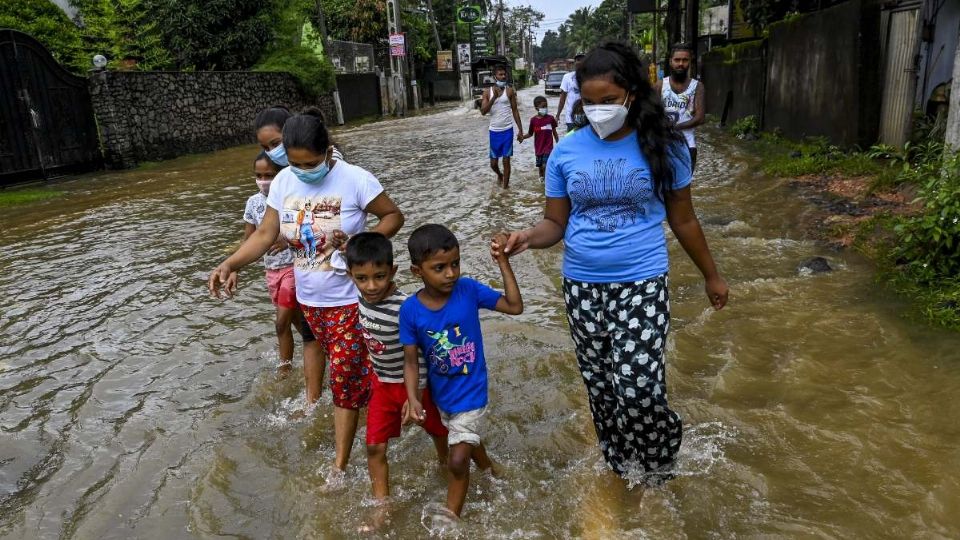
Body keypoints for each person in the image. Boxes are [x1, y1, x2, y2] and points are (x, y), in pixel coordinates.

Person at [499, 42, 728, 488]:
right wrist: (526, 236)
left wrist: (711, 275)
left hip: (642, 281)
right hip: (582, 287)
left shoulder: (666, 145)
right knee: (603, 392)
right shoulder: (566, 151)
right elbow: (555, 223)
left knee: (638, 390)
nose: (598, 110)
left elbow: (683, 218)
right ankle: (621, 471)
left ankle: (660, 467)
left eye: (608, 100)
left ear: (632, 95)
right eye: (589, 102)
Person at [209, 107, 405, 481]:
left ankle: (340, 466)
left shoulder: (355, 179)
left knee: (345, 385)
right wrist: (230, 264)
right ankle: (383, 419)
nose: (302, 171)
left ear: (328, 151)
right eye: (295, 165)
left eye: (310, 163)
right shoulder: (284, 183)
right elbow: (266, 235)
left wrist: (363, 243)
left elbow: (393, 216)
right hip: (311, 303)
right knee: (351, 378)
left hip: (351, 301)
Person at [400, 224, 523, 519]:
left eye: (455, 264)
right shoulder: (410, 310)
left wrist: (503, 263)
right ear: (417, 271)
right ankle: (490, 471)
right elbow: (411, 361)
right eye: (439, 267)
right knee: (461, 437)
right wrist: (414, 398)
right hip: (444, 397)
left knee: (456, 461)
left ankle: (450, 519)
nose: (451, 273)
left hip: (472, 393)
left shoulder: (467, 290)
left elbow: (515, 306)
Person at [344, 232, 449, 505]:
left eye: (379, 276)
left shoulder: (405, 308)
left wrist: (415, 394)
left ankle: (447, 467)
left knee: (439, 432)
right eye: (362, 278)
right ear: (350, 275)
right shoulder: (360, 296)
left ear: (393, 271)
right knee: (374, 447)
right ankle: (382, 505)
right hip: (382, 385)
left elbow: (417, 355)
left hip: (417, 386)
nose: (370, 286)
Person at [239, 151, 317, 372]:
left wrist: (288, 238)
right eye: (259, 175)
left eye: (269, 175)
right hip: (271, 271)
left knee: (280, 322)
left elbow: (309, 230)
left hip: (293, 268)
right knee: (296, 321)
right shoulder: (253, 203)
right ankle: (322, 347)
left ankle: (284, 371)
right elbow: (250, 238)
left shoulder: (291, 199)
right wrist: (234, 267)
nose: (264, 181)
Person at [656, 44, 706, 170]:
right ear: (670, 61)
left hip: (687, 145)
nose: (681, 64)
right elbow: (651, 113)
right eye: (677, 60)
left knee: (684, 186)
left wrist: (674, 127)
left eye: (685, 60)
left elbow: (700, 118)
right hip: (662, 145)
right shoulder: (660, 85)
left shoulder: (697, 87)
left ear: (690, 62)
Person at [479, 65, 523, 189]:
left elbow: (515, 111)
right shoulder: (487, 92)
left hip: (507, 130)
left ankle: (505, 189)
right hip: (494, 131)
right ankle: (500, 174)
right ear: (495, 77)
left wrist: (520, 130)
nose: (503, 76)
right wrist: (494, 98)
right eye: (500, 74)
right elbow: (483, 111)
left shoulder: (510, 91)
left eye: (504, 74)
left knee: (506, 160)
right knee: (493, 164)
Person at [519, 95, 559, 181]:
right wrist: (522, 137)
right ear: (536, 108)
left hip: (548, 147)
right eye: (543, 107)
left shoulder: (550, 119)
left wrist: (558, 143)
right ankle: (541, 181)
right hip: (538, 148)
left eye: (546, 106)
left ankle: (548, 183)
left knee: (545, 165)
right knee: (540, 168)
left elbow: (554, 132)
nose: (545, 108)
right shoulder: (533, 120)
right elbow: (530, 134)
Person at [557, 52, 585, 132]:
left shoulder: (590, 77)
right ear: (574, 62)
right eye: (578, 60)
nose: (580, 62)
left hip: (587, 118)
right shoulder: (567, 77)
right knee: (572, 141)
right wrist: (558, 115)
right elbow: (562, 99)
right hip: (571, 118)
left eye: (582, 60)